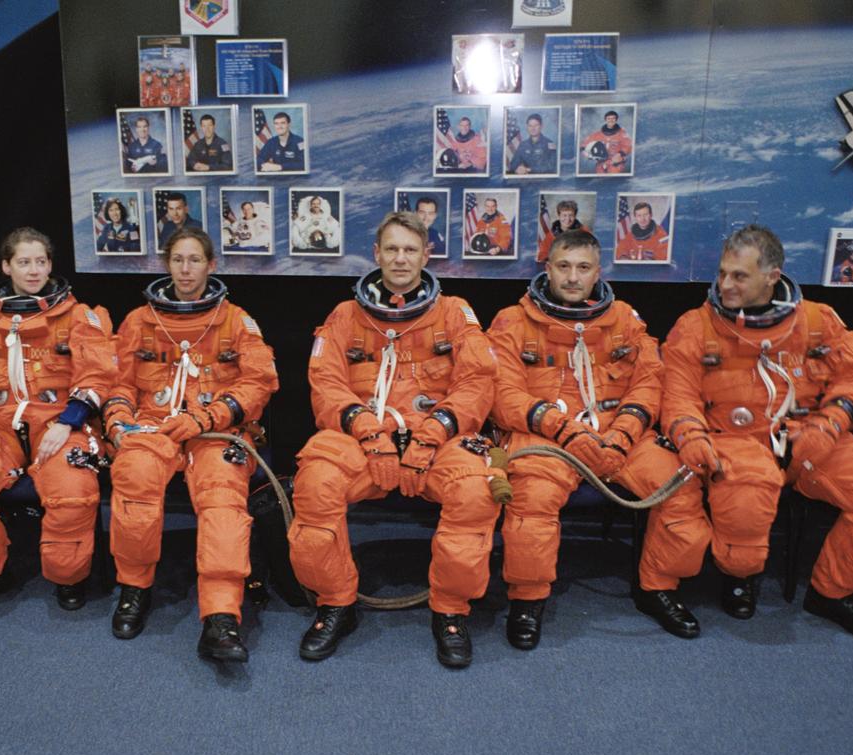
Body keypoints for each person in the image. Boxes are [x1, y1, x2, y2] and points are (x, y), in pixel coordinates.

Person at [656, 224, 853, 640]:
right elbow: (678, 394)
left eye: (739, 276)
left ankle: (833, 592)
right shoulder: (697, 326)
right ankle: (740, 578)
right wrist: (690, 436)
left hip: (812, 437)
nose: (725, 284)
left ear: (772, 276)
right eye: (722, 273)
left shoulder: (817, 321)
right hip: (735, 440)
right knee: (746, 500)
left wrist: (831, 423)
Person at [287, 212, 501, 668]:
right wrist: (368, 431)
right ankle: (335, 603)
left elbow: (477, 383)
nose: (401, 258)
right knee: (315, 485)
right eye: (392, 249)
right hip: (363, 438)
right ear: (377, 254)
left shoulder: (454, 313)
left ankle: (451, 611)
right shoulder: (345, 316)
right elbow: (325, 384)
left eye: (410, 250)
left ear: (426, 255)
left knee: (475, 491)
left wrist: (434, 432)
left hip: (437, 438)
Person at [488, 229, 710, 647]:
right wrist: (563, 429)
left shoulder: (624, 320)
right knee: (532, 500)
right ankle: (527, 599)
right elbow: (503, 394)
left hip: (618, 435)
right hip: (547, 436)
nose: (573, 277)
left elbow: (649, 382)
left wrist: (624, 433)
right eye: (563, 266)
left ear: (598, 272)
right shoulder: (513, 321)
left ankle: (658, 587)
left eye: (583, 267)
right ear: (548, 268)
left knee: (679, 487)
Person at [104, 226, 278, 662]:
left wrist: (209, 416)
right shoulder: (139, 321)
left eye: (195, 260)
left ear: (211, 265)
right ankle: (134, 588)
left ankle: (221, 616)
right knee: (135, 477)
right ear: (167, 264)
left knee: (222, 496)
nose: (186, 269)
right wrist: (118, 420)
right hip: (153, 425)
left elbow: (259, 382)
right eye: (178, 260)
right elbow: (118, 382)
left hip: (213, 427)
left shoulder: (236, 320)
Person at [0, 228, 114, 615]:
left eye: (40, 262)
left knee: (72, 488)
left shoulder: (79, 317)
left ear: (50, 265)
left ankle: (69, 577)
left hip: (59, 424)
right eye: (24, 262)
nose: (33, 271)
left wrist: (68, 422)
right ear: (6, 266)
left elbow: (97, 376)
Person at [580, 110, 632, 174]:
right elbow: (584, 144)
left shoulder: (622, 134)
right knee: (600, 179)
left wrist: (620, 154)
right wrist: (586, 153)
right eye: (609, 118)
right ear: (605, 120)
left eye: (613, 118)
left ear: (616, 120)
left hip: (616, 164)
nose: (611, 120)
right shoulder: (598, 134)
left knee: (613, 178)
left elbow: (628, 145)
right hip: (601, 164)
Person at [535, 199, 588, 263]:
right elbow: (542, 256)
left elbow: (590, 253)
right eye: (564, 215)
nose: (567, 219)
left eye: (571, 215)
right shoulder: (551, 235)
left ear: (575, 216)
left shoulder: (584, 232)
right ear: (559, 216)